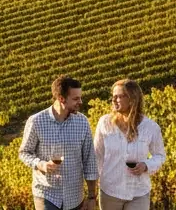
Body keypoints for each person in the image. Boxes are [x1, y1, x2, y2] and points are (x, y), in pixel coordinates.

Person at [19, 75, 99, 210]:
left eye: (80, 97)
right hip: (46, 194)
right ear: (61, 98)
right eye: (75, 99)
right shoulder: (36, 121)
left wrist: (92, 197)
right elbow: (24, 152)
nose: (80, 101)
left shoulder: (82, 122)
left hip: (74, 197)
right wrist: (40, 164)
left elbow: (89, 161)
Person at [93, 79, 166, 210]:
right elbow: (97, 156)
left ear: (132, 99)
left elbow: (160, 156)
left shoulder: (150, 127)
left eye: (119, 96)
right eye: (113, 96)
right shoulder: (104, 123)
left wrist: (146, 166)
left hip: (138, 192)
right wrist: (92, 190)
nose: (114, 100)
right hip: (110, 191)